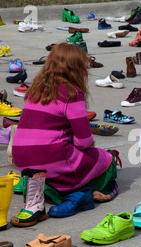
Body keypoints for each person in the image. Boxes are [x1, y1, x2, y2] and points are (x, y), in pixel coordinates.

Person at [11, 42, 118, 221]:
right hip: (54, 159)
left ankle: (46, 189)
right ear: (76, 69)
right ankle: (85, 191)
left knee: (58, 163)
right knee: (106, 159)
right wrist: (90, 145)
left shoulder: (35, 89)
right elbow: (83, 141)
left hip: (22, 161)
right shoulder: (71, 93)